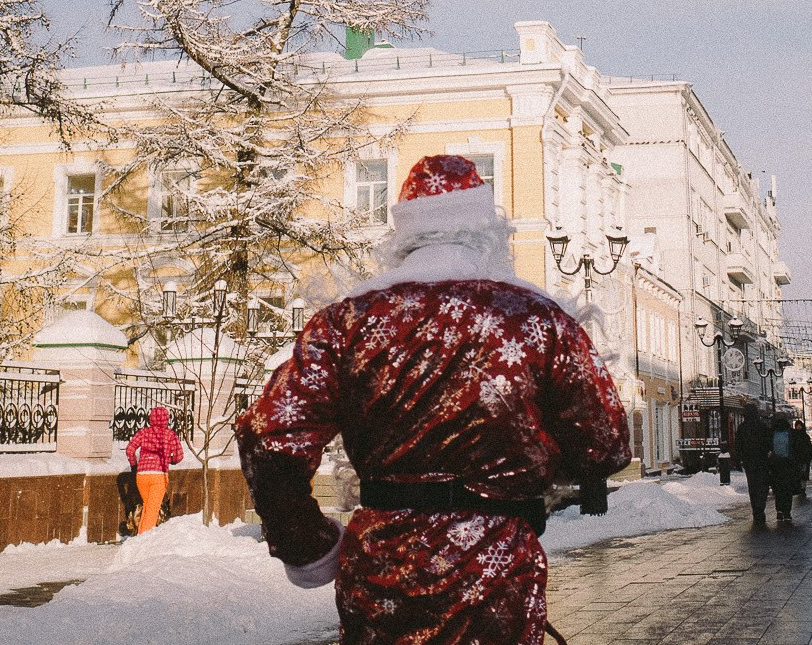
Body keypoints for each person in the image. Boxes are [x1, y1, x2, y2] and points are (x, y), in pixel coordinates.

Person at [236, 155, 630, 645]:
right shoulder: (536, 318)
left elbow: (269, 436)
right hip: (496, 565)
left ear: (403, 234)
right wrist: (528, 466)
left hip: (383, 563)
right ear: (488, 228)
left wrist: (307, 546)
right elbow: (606, 445)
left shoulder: (346, 321)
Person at [125, 404, 185, 534]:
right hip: (159, 476)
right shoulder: (170, 435)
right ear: (167, 419)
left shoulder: (143, 432)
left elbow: (130, 449)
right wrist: (170, 460)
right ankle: (143, 540)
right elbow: (179, 456)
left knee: (147, 508)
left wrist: (134, 465)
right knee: (152, 510)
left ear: (150, 418)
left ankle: (140, 538)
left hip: (141, 475)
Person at [734, 403, 779, 529]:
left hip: (749, 462)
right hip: (762, 461)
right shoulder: (762, 426)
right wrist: (767, 452)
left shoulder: (742, 428)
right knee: (763, 486)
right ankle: (760, 507)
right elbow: (769, 442)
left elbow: (738, 445)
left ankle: (756, 510)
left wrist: (739, 459)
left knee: (752, 486)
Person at [790, 418, 812, 498]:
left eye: (799, 425)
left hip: (804, 458)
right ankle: (800, 488)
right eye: (797, 425)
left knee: (803, 474)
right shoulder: (793, 435)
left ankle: (802, 488)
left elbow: (809, 447)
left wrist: (811, 456)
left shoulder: (805, 436)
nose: (798, 427)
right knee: (798, 474)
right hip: (797, 459)